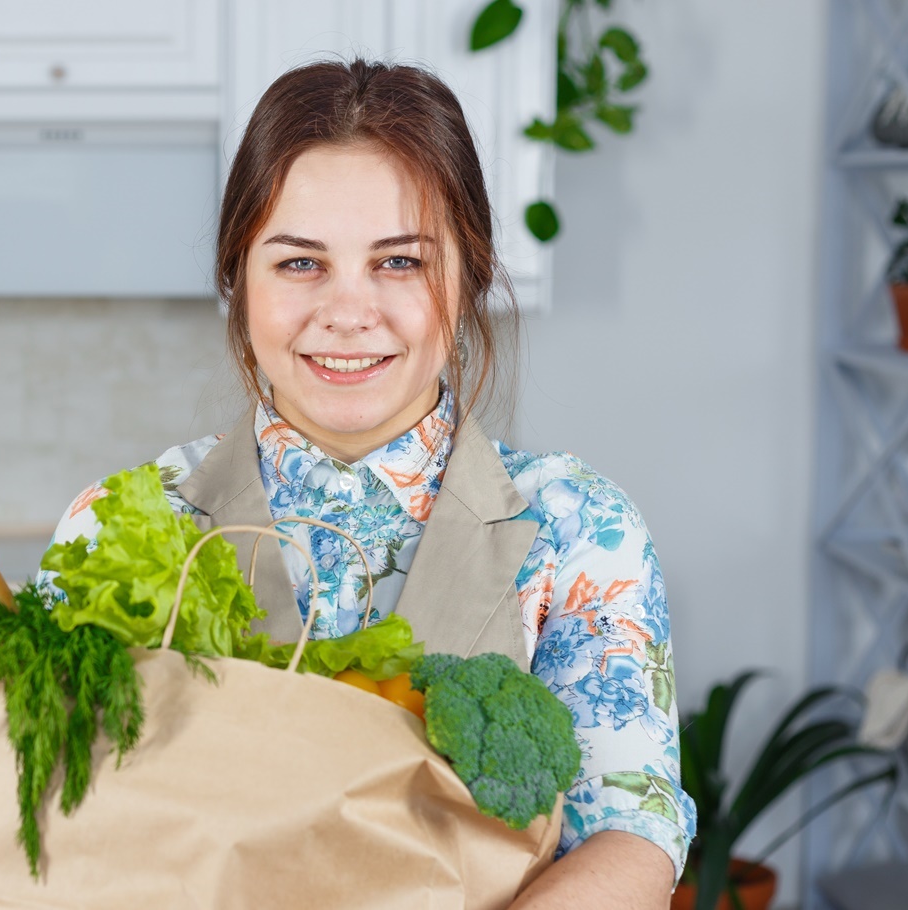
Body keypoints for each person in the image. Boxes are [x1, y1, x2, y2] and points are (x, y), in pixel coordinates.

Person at [46, 59, 692, 907]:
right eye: (300, 264)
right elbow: (51, 818)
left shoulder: (579, 528)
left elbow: (628, 827)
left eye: (398, 263)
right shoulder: (124, 522)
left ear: (468, 278)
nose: (348, 313)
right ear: (236, 280)